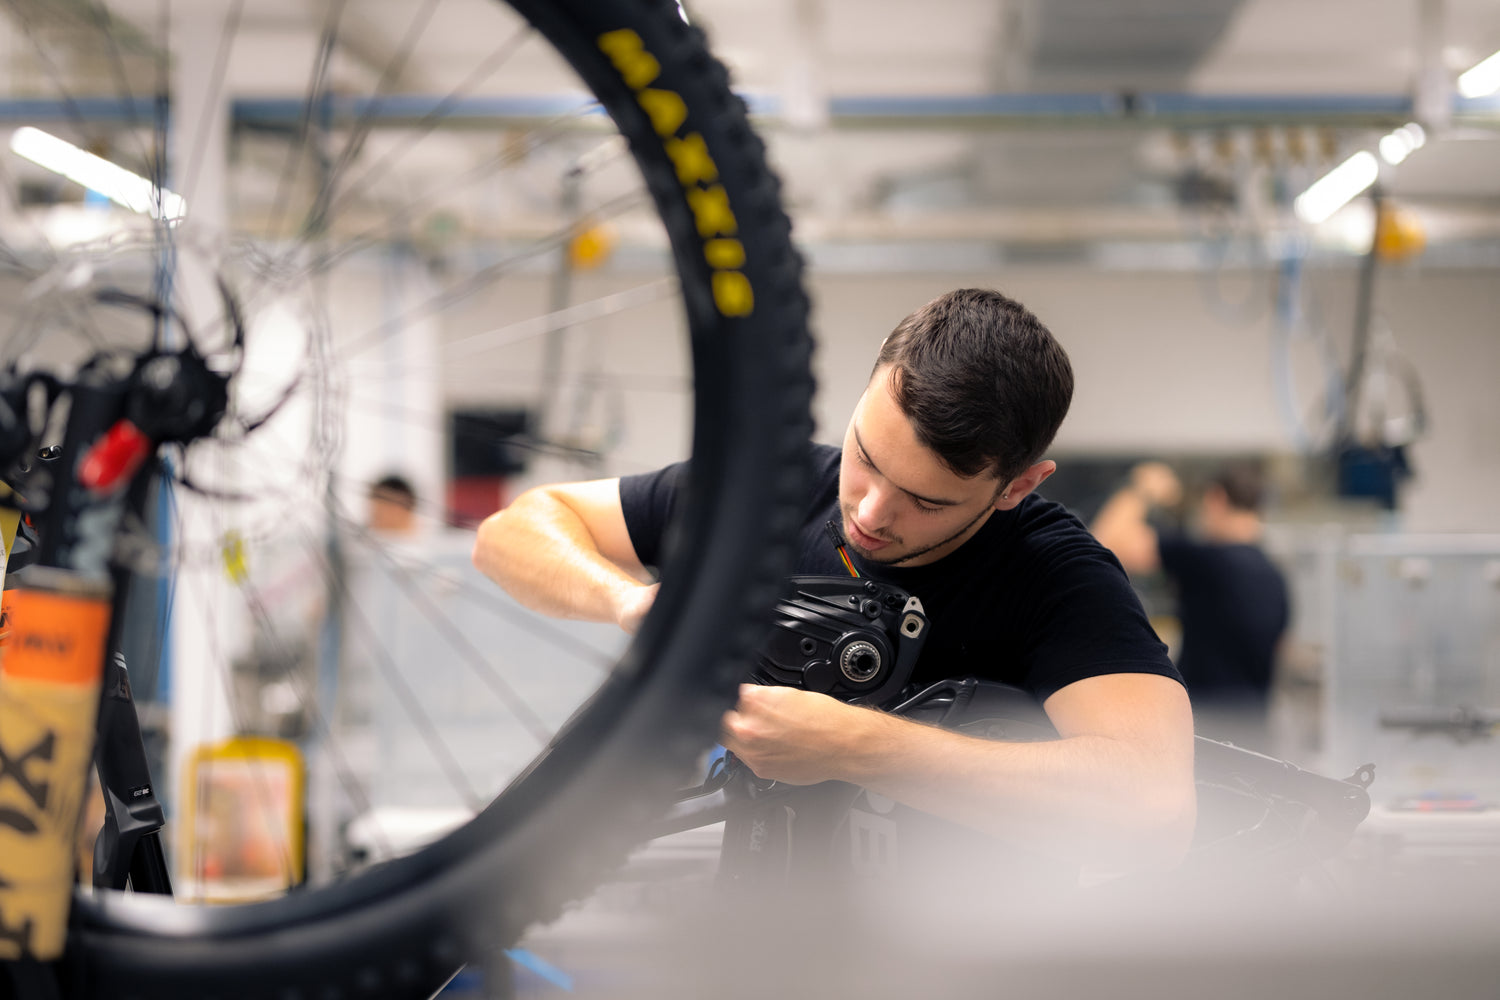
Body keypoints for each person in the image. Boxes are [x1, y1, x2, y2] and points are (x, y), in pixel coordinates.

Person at [473, 288, 1196, 878]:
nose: (872, 512)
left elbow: (1156, 809)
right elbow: (513, 531)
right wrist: (634, 603)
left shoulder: (1055, 576)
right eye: (867, 458)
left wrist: (860, 747)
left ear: (1017, 487)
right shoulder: (776, 490)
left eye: (926, 501)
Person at [1091, 461, 1289, 750]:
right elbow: (1281, 649)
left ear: (1216, 499)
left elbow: (1105, 543)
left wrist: (1141, 489)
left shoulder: (1208, 560)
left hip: (1205, 736)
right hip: (1254, 737)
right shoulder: (1275, 576)